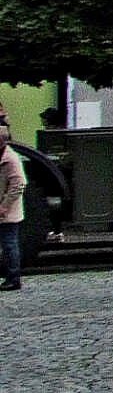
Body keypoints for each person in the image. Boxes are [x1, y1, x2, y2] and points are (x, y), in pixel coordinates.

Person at [1, 112, 25, 291]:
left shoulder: (10, 159)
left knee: (9, 244)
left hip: (6, 212)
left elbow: (19, 184)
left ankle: (13, 278)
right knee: (8, 244)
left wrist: (4, 207)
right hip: (4, 209)